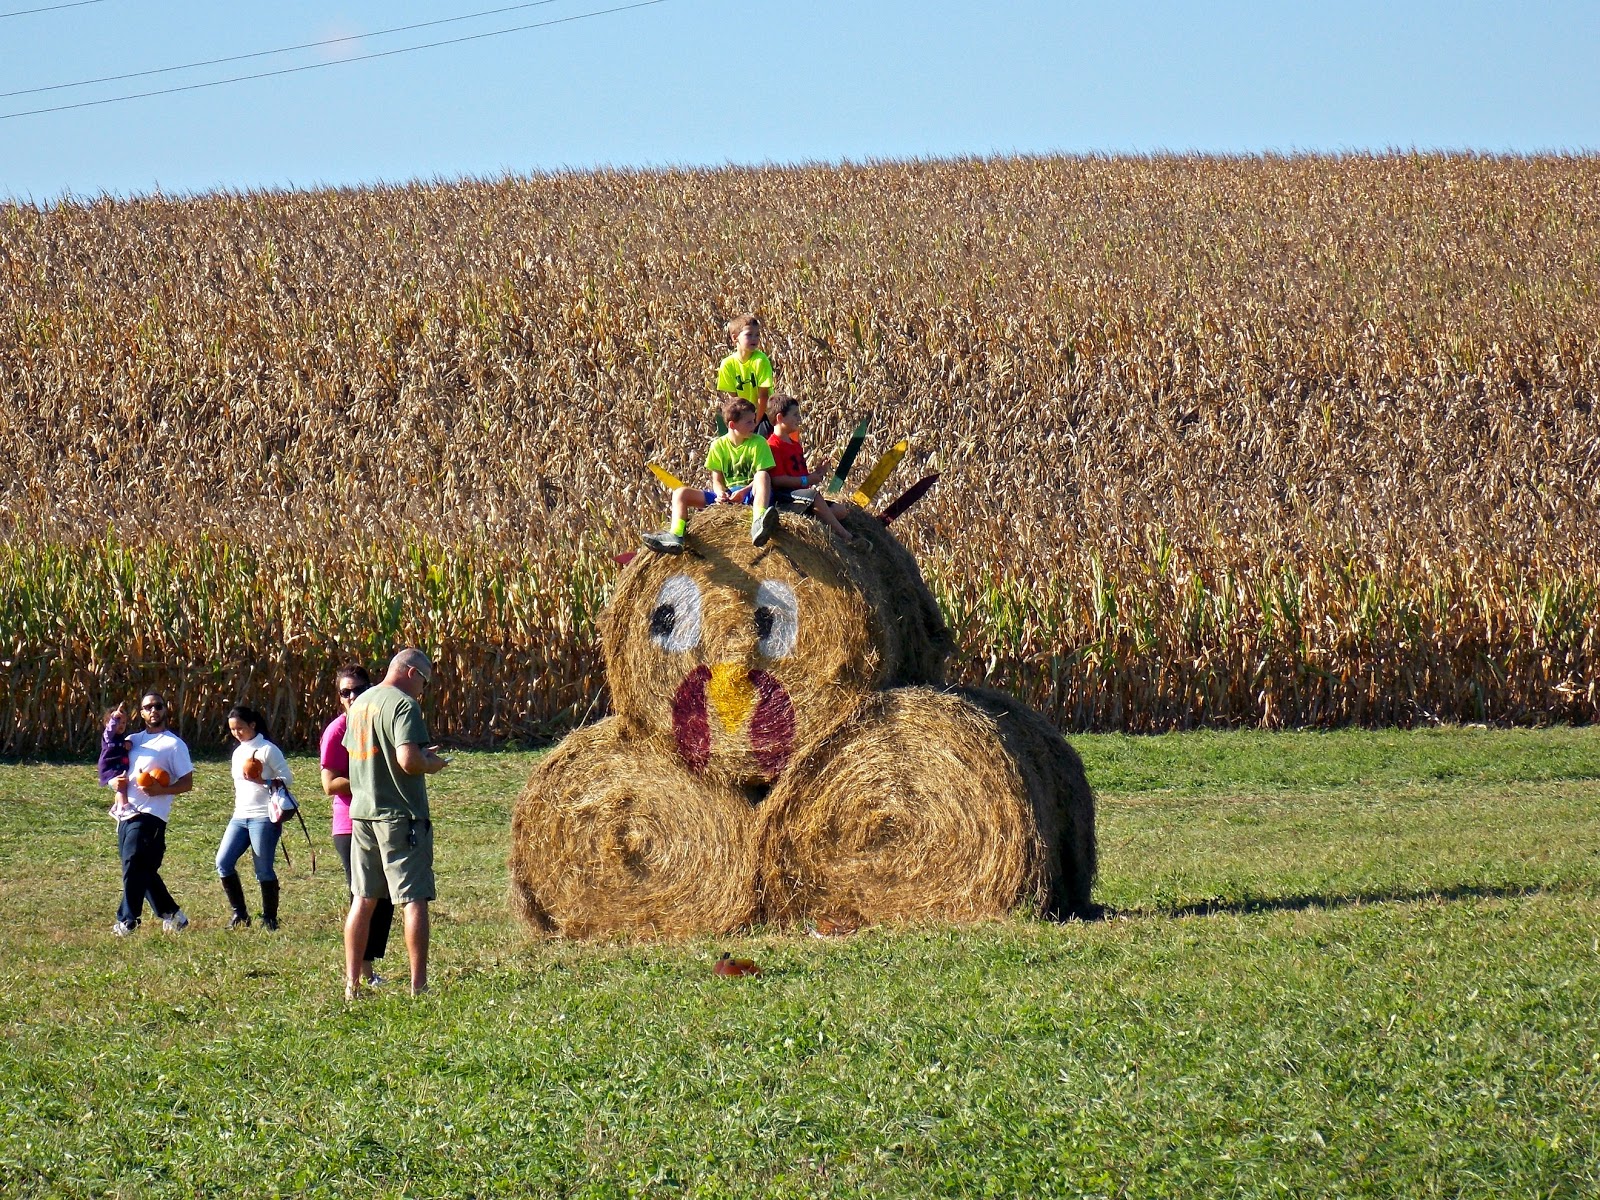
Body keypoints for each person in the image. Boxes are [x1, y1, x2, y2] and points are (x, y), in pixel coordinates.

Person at [343, 648, 449, 1000]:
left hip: (361, 814)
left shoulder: (359, 704)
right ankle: (419, 985)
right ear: (410, 672)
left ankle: (351, 984)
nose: (424, 689)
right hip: (399, 816)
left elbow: (358, 754)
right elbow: (406, 760)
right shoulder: (404, 706)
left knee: (363, 898)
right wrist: (430, 763)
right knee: (413, 898)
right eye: (425, 680)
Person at [320, 663, 393, 986]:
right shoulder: (338, 731)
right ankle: (359, 975)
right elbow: (329, 784)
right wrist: (367, 779)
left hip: (381, 817)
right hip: (350, 824)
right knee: (364, 896)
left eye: (358, 690)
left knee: (387, 896)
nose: (352, 696)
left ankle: (368, 968)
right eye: (344, 692)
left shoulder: (380, 723)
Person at [642, 396, 780, 554]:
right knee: (681, 493)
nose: (754, 425)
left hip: (751, 494)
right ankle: (676, 535)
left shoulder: (759, 442)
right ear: (732, 425)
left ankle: (759, 521)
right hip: (728, 497)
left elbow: (762, 477)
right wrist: (720, 493)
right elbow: (717, 480)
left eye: (754, 420)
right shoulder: (718, 446)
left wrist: (744, 491)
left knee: (762, 476)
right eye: (749, 422)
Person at [108, 692, 193, 936]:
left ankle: (128, 920)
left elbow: (187, 782)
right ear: (142, 713)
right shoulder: (132, 740)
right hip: (126, 812)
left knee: (134, 864)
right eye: (148, 707)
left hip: (151, 815)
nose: (153, 710)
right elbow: (112, 762)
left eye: (158, 706)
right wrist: (114, 783)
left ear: (166, 710)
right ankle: (174, 915)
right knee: (139, 869)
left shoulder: (173, 744)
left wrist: (161, 790)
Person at [215, 705, 292, 930]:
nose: (237, 733)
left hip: (263, 817)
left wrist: (265, 782)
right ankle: (240, 914)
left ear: (252, 725)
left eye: (240, 728)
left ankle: (269, 918)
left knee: (263, 870)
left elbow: (287, 778)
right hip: (240, 816)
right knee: (223, 862)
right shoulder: (238, 752)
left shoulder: (267, 749)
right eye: (232, 730)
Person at [765, 395, 863, 546]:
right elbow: (777, 480)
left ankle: (811, 520)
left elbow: (799, 473)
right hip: (784, 496)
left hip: (801, 495)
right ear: (779, 418)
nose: (799, 418)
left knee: (841, 510)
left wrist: (817, 473)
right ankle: (848, 537)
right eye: (795, 415)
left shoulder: (794, 444)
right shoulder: (772, 446)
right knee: (815, 496)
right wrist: (807, 480)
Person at [716, 314, 774, 432]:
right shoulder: (727, 364)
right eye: (749, 335)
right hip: (743, 413)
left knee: (762, 441)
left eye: (757, 335)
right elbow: (734, 398)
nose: (754, 338)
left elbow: (763, 396)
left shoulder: (761, 360)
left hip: (763, 413)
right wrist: (743, 420)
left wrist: (755, 422)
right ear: (735, 337)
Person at [98, 702, 133, 818]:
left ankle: (117, 806)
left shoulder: (120, 738)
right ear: (108, 723)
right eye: (117, 722)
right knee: (122, 785)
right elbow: (110, 729)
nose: (121, 725)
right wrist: (114, 717)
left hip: (118, 766)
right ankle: (124, 808)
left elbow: (123, 745)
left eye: (123, 722)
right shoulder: (108, 736)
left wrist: (127, 743)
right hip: (110, 767)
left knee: (122, 786)